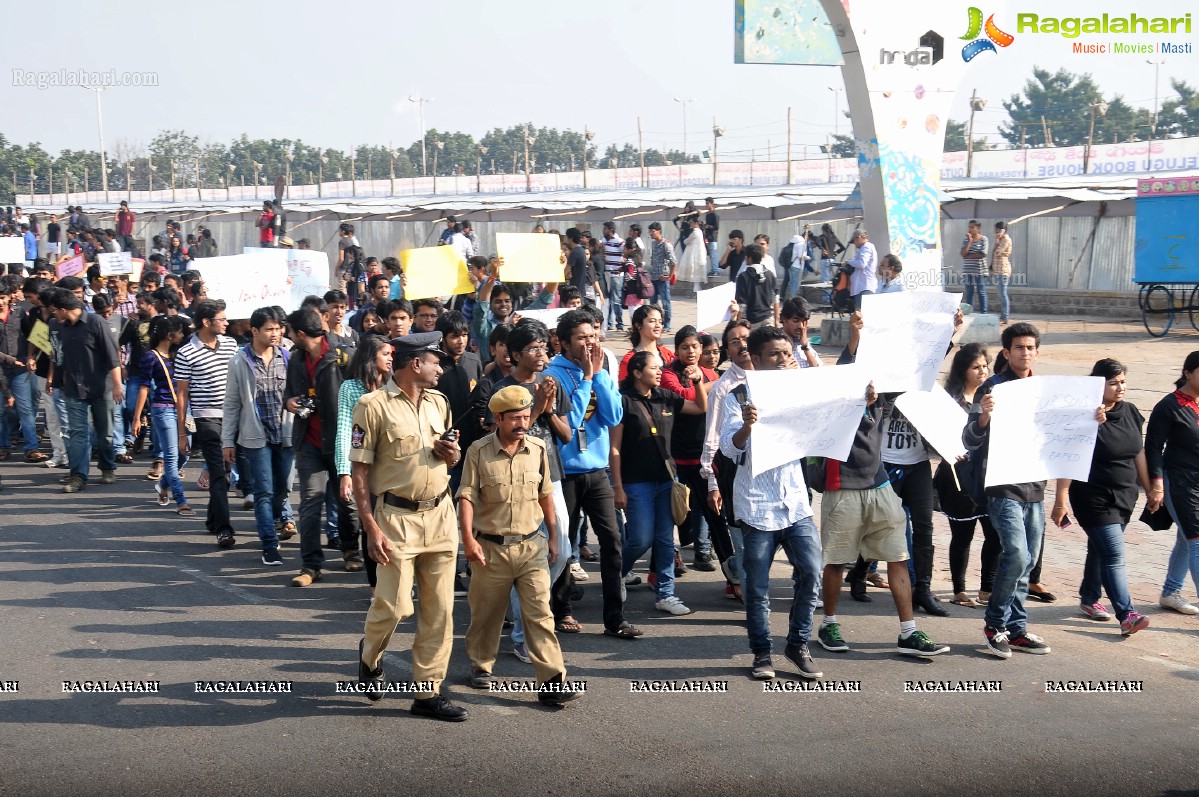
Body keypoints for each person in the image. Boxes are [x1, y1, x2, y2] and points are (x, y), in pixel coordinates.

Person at [350, 332, 469, 722]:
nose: (441, 367)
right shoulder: (372, 405)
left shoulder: (439, 403)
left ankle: (427, 693)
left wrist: (451, 455)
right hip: (395, 519)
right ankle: (370, 656)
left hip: (440, 516)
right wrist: (370, 526)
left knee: (439, 612)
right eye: (435, 360)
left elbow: (449, 458)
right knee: (395, 606)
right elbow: (360, 470)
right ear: (415, 364)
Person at [817, 313, 949, 658]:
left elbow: (920, 373)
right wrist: (856, 337)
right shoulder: (839, 392)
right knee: (836, 562)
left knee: (898, 557)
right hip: (841, 486)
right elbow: (846, 368)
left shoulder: (885, 394)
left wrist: (948, 333)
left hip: (879, 487)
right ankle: (828, 622)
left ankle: (909, 632)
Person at [964, 322, 1095, 657]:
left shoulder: (1043, 389)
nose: (1025, 353)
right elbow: (969, 439)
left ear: (1037, 352)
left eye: (1030, 347)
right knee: (1017, 554)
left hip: (1035, 488)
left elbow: (1065, 431)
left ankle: (1018, 629)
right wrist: (983, 418)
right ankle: (995, 625)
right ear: (1006, 353)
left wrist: (1092, 418)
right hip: (1002, 486)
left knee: (1028, 561)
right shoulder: (991, 389)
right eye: (1019, 347)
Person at [459, 385, 579, 706]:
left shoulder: (538, 448)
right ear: (498, 418)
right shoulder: (478, 451)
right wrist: (468, 540)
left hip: (532, 546)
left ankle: (552, 680)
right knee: (487, 614)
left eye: (526, 416)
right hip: (491, 550)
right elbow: (467, 497)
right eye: (515, 418)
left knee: (540, 613)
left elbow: (545, 496)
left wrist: (554, 536)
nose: (522, 423)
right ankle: (481, 665)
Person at [719, 325, 824, 680]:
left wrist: (864, 398)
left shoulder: (802, 390)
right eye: (775, 354)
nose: (783, 360)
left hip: (795, 502)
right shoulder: (737, 396)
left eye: (787, 353)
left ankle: (797, 644)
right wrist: (748, 426)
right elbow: (729, 448)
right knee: (757, 586)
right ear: (757, 358)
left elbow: (834, 412)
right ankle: (762, 653)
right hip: (757, 504)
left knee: (811, 571)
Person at [545, 309, 639, 639]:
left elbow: (614, 416)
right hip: (565, 473)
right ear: (564, 342)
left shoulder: (601, 371)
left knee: (613, 541)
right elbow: (569, 424)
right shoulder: (553, 375)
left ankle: (615, 617)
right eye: (582, 337)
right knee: (564, 546)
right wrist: (586, 378)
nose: (590, 342)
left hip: (597, 470)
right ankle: (562, 610)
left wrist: (597, 376)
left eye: (594, 335)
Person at [1051, 359, 1151, 635]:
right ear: (1098, 385)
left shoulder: (1130, 411)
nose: (1120, 387)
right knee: (1114, 554)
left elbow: (1138, 451)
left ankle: (1089, 598)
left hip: (1125, 496)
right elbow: (1068, 457)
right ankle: (1127, 613)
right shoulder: (1086, 414)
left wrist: (1152, 488)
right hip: (1092, 497)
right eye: (1113, 383)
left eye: (1123, 381)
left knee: (1100, 550)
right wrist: (1061, 499)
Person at [613, 349, 707, 615]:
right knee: (640, 539)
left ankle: (666, 594)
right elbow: (615, 448)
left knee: (666, 540)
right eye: (654, 368)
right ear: (636, 373)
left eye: (660, 367)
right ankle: (617, 573)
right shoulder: (624, 402)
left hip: (666, 480)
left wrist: (698, 381)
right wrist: (617, 486)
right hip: (636, 482)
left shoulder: (665, 397)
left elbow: (700, 407)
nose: (659, 371)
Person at [283, 307, 364, 586]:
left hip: (340, 440)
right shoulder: (295, 359)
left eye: (291, 332)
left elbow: (359, 397)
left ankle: (351, 550)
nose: (288, 336)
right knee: (310, 502)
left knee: (346, 500)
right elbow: (290, 394)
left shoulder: (343, 356)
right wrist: (290, 403)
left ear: (301, 333)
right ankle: (310, 565)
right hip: (309, 442)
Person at [222, 307, 296, 566]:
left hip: (285, 435)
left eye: (278, 328)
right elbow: (231, 404)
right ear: (254, 331)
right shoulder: (239, 361)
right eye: (269, 329)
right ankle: (269, 544)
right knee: (264, 491)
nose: (275, 333)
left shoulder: (287, 357)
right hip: (256, 437)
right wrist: (228, 441)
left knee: (284, 488)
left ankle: (274, 520)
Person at [938, 343, 1000, 607]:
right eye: (976, 367)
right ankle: (959, 591)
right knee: (963, 535)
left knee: (995, 534)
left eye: (985, 366)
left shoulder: (994, 397)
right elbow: (937, 434)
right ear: (963, 370)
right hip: (957, 477)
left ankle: (987, 589)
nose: (982, 371)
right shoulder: (950, 400)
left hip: (987, 476)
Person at [174, 299, 240, 548]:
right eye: (222, 319)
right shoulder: (186, 352)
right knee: (219, 470)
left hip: (233, 417)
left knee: (224, 472)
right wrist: (182, 433)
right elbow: (182, 394)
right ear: (206, 322)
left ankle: (213, 520)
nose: (226, 323)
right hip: (206, 418)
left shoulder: (231, 344)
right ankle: (223, 528)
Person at [46, 288, 123, 493]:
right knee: (78, 434)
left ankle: (107, 467)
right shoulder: (56, 326)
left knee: (105, 433)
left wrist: (117, 385)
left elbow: (112, 356)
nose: (53, 314)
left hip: (101, 387)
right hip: (72, 388)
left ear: (64, 309)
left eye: (55, 311)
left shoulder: (96, 323)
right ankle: (78, 476)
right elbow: (57, 356)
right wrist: (56, 382)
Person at [335, 335, 393, 594]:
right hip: (364, 467)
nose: (391, 359)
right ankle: (375, 588)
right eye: (385, 354)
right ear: (372, 358)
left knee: (394, 523)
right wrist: (344, 472)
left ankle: (396, 581)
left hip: (393, 467)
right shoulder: (350, 388)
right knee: (370, 525)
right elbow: (345, 430)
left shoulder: (395, 385)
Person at [660, 327, 720, 572]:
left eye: (695, 346)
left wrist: (707, 381)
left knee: (705, 504)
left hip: (702, 451)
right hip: (674, 451)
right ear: (677, 350)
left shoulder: (708, 372)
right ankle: (670, 554)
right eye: (685, 347)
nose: (691, 351)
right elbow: (685, 396)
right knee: (673, 507)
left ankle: (703, 550)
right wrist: (708, 385)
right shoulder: (668, 374)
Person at [1145, 350, 1199, 616]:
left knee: (1186, 539)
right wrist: (1156, 485)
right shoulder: (1169, 406)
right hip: (1180, 482)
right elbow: (1153, 447)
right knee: (1197, 540)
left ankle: (1170, 592)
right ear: (1187, 373)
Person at [132, 315, 192, 515]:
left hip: (183, 409)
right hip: (162, 409)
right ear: (169, 334)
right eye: (180, 331)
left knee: (185, 453)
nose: (183, 335)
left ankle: (163, 485)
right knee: (172, 457)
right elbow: (144, 387)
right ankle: (181, 501)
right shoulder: (150, 356)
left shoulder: (179, 355)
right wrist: (137, 417)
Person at [618, 304, 674, 382]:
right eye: (652, 321)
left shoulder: (667, 354)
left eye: (660, 322)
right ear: (638, 325)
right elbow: (624, 389)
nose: (658, 325)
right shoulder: (629, 361)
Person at [646, 222, 678, 331]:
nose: (651, 233)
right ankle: (656, 322)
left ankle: (667, 324)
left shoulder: (666, 244)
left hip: (662, 278)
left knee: (665, 302)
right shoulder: (654, 244)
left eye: (652, 231)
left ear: (659, 231)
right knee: (653, 303)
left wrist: (669, 276)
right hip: (654, 277)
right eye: (650, 231)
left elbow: (673, 262)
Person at [779, 297, 821, 369]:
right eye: (796, 321)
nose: (801, 326)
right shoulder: (776, 343)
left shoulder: (803, 344)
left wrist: (805, 346)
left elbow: (817, 370)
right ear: (784, 319)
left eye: (804, 321)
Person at [844, 229, 877, 311]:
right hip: (862, 287)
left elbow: (861, 264)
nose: (854, 244)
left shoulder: (866, 247)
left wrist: (848, 262)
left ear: (858, 238)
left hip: (864, 287)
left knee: (862, 316)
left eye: (854, 241)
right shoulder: (865, 247)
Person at [960, 219, 988, 314]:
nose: (970, 229)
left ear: (978, 228)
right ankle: (969, 313)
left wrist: (968, 256)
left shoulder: (984, 239)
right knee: (969, 293)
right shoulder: (966, 240)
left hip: (980, 271)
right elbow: (963, 254)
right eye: (969, 227)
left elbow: (982, 254)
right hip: (968, 271)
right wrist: (969, 241)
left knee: (981, 292)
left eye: (972, 227)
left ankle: (983, 313)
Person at [677, 216, 707, 293]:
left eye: (691, 222)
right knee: (696, 270)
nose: (690, 224)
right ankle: (696, 288)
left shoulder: (695, 232)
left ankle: (696, 288)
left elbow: (686, 241)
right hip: (697, 253)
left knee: (694, 270)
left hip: (694, 253)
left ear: (696, 223)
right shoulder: (699, 232)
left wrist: (684, 240)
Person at [992, 221, 1012, 324]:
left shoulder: (1005, 239)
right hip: (998, 270)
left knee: (1003, 294)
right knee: (1000, 294)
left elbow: (998, 251)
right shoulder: (1000, 239)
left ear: (1001, 230)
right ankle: (1003, 315)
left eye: (997, 230)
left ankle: (1005, 316)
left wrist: (997, 240)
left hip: (1003, 270)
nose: (995, 231)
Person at [703, 198, 721, 278]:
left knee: (713, 255)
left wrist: (708, 226)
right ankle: (713, 270)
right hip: (708, 237)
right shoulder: (707, 214)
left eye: (707, 203)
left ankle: (716, 271)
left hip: (713, 237)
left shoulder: (715, 214)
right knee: (710, 255)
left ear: (712, 204)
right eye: (706, 203)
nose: (706, 205)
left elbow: (716, 227)